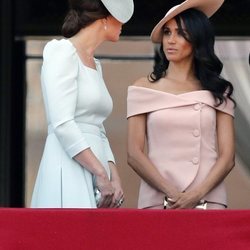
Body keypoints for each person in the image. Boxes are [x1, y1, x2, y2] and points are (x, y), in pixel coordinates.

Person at [127, 0, 236, 209]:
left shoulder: (218, 91)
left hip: (207, 200)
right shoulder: (143, 88)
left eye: (180, 33)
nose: (171, 40)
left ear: (197, 39)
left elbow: (227, 157)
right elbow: (134, 153)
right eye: (167, 33)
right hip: (159, 200)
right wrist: (173, 194)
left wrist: (197, 194)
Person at [31, 0, 134, 208]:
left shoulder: (95, 64)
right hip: (68, 163)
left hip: (96, 169)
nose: (123, 25)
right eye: (120, 18)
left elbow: (98, 127)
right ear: (105, 19)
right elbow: (62, 123)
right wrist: (99, 172)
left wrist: (113, 175)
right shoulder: (61, 51)